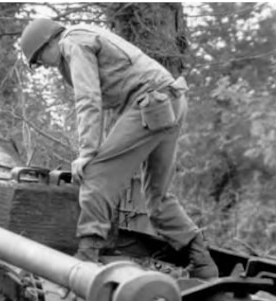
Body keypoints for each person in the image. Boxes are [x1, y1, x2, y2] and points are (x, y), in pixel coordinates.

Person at [18, 18, 219, 279]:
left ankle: (87, 256)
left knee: (96, 173)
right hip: (170, 101)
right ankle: (203, 263)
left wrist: (87, 153)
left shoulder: (72, 42)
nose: (42, 65)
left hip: (150, 102)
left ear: (48, 42)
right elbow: (107, 98)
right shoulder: (83, 36)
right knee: (156, 197)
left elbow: (88, 98)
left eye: (38, 58)